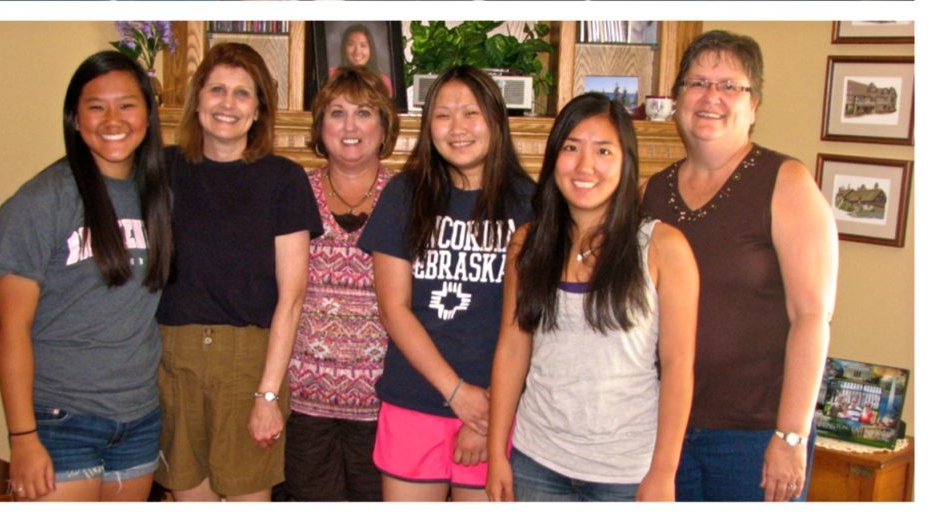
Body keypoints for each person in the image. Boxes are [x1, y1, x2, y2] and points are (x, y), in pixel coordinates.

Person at [641, 30, 838, 502]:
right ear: (676, 98)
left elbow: (812, 318)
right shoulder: (652, 191)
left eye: (730, 85)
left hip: (753, 438)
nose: (711, 97)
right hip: (661, 429)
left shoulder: (784, 182)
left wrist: (790, 437)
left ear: (755, 104)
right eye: (697, 83)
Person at [485, 93, 699, 502]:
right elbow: (512, 349)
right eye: (571, 148)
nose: (585, 166)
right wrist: (498, 454)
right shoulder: (526, 244)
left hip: (626, 472)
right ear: (553, 160)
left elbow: (678, 366)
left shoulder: (663, 248)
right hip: (536, 462)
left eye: (603, 150)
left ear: (625, 161)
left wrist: (663, 471)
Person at [0, 50, 173, 501]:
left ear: (148, 115)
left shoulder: (159, 196)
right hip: (61, 421)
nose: (113, 119)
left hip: (140, 418)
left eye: (127, 104)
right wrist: (23, 438)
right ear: (75, 118)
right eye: (96, 106)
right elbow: (10, 327)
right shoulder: (39, 202)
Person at [357, 65, 536, 502]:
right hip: (415, 398)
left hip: (498, 406)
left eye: (470, 113)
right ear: (427, 124)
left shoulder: (528, 202)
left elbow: (529, 321)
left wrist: (487, 413)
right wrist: (456, 394)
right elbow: (393, 308)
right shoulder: (404, 193)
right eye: (443, 114)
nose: (457, 128)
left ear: (495, 119)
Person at [154, 42, 322, 502]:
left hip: (250, 363)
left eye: (242, 94)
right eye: (217, 90)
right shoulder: (163, 170)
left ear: (259, 109)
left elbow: (292, 297)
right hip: (175, 357)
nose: (227, 104)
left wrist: (267, 396)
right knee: (186, 498)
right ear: (198, 99)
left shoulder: (283, 181)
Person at [283, 66, 400, 501]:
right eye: (337, 112)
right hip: (304, 406)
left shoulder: (407, 196)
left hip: (385, 407)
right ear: (320, 127)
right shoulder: (295, 191)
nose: (350, 126)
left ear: (384, 127)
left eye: (365, 112)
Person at [329, 24, 394, 97]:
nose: (357, 51)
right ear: (344, 48)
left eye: (363, 45)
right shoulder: (332, 75)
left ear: (371, 49)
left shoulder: (383, 81)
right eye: (351, 44)